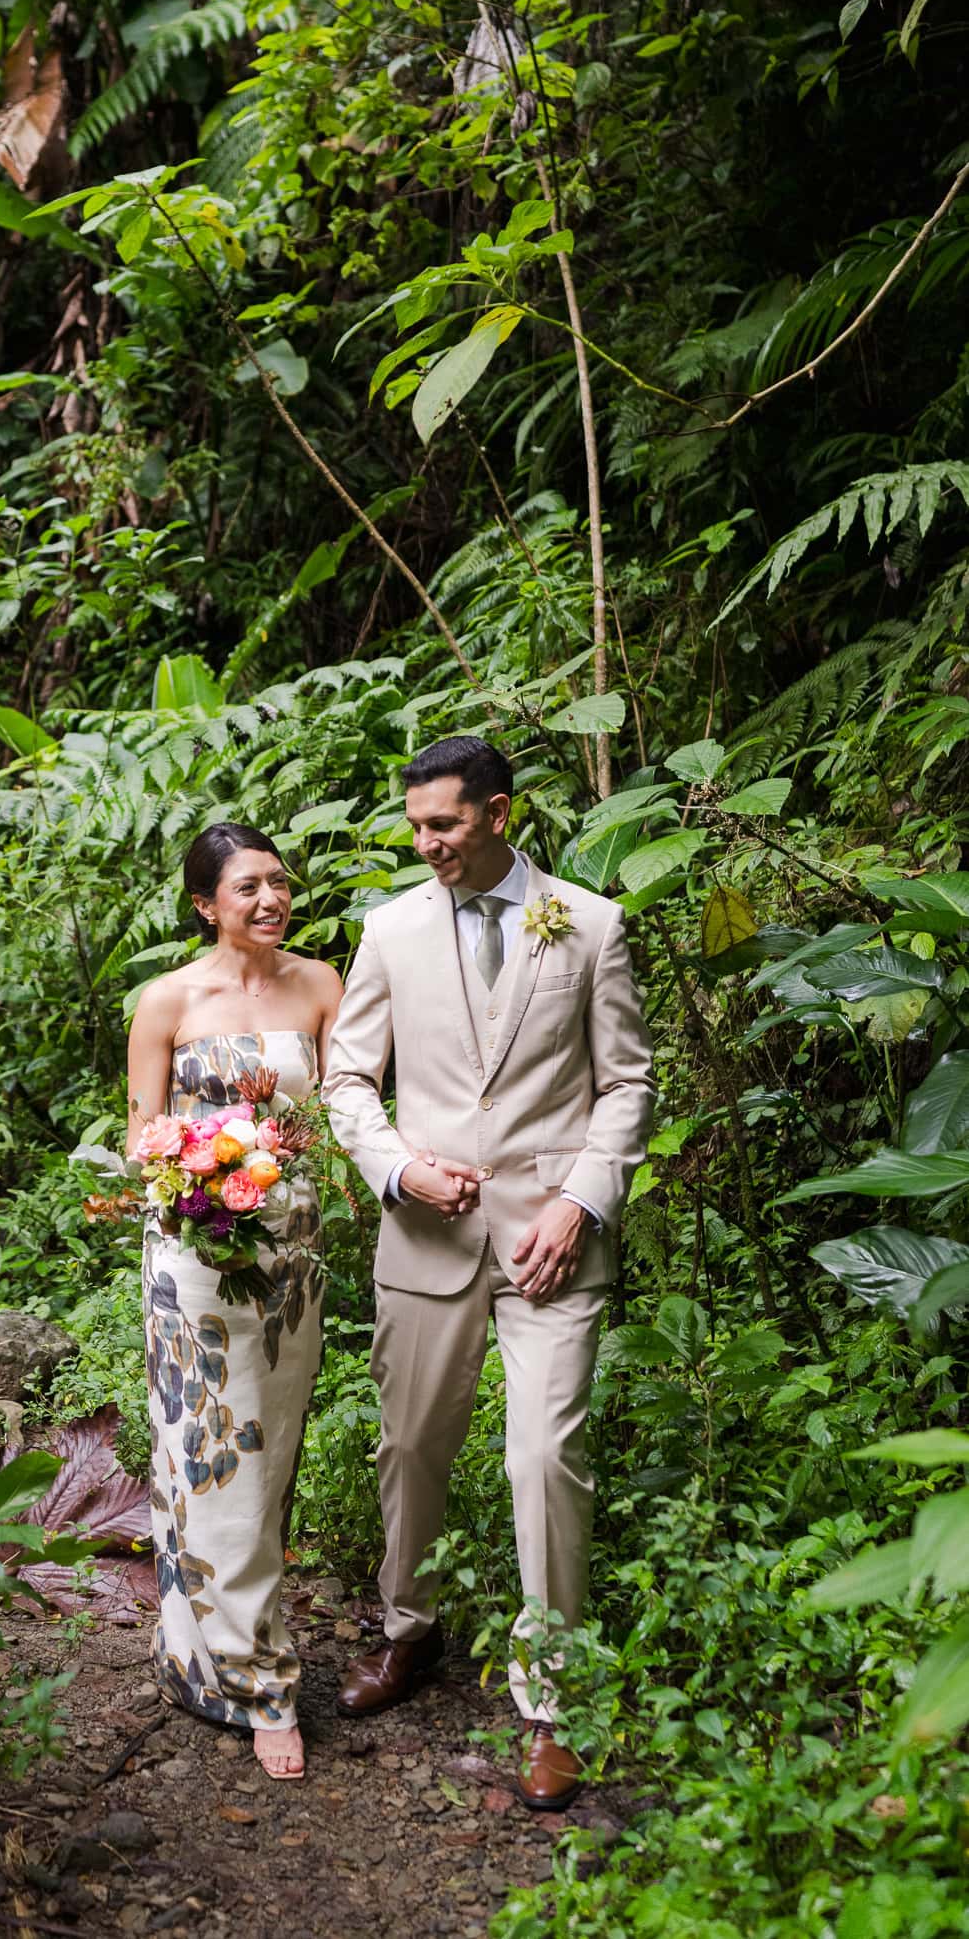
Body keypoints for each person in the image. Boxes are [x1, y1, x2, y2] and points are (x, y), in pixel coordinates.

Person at [323, 735, 655, 1810]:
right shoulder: (388, 928)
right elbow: (346, 1081)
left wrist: (581, 1199)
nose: (428, 845)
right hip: (425, 1239)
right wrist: (398, 1166)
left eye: (446, 825)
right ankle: (408, 1627)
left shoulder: (592, 923)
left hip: (551, 1246)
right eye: (416, 825)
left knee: (545, 1454)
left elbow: (627, 1085)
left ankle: (552, 1702)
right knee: (411, 1443)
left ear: (499, 813)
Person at [127, 822, 342, 1781]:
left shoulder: (321, 986)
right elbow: (144, 1136)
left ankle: (202, 1647)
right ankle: (261, 1683)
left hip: (292, 1253)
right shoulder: (166, 1000)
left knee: (269, 1454)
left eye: (279, 884)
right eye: (247, 887)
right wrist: (196, 1178)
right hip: (195, 1256)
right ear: (205, 904)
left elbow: (344, 1113)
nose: (270, 900)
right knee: (210, 1451)